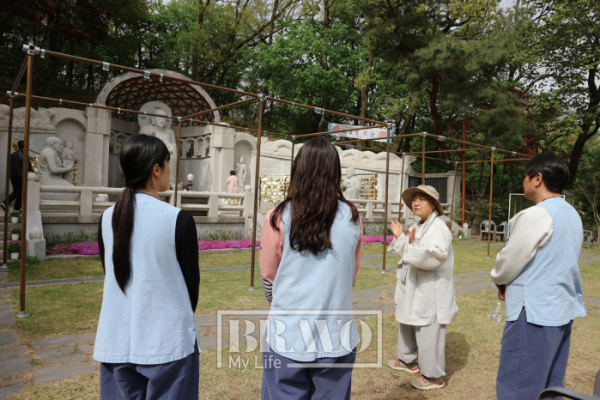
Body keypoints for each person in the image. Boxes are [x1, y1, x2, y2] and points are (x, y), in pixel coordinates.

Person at [94, 134, 201, 400]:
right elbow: (191, 288)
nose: (168, 170)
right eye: (167, 163)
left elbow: (113, 273)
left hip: (115, 340)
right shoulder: (178, 219)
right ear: (156, 169)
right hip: (168, 345)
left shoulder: (107, 218)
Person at [260, 137, 363, 400]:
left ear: (298, 169)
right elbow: (349, 278)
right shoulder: (352, 217)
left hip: (287, 334)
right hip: (335, 336)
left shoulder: (277, 217)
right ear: (335, 172)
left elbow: (269, 280)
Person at [492, 154, 585, 400]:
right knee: (550, 383)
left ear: (537, 178)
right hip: (560, 309)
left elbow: (510, 259)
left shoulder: (538, 214)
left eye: (526, 175)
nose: (523, 180)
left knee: (518, 386)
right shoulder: (572, 214)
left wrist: (500, 279)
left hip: (533, 313)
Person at [387, 185, 458, 391]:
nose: (416, 203)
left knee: (429, 331)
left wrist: (408, 243)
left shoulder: (439, 228)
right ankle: (409, 360)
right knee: (408, 321)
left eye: (422, 199)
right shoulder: (419, 224)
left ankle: (434, 376)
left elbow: (434, 257)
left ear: (434, 203)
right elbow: (410, 250)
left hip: (431, 288)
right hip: (414, 284)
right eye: (414, 199)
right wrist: (404, 238)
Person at [2, 140, 25, 211]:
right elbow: (27, 167)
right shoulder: (24, 155)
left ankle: (6, 203)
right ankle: (16, 208)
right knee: (20, 192)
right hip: (20, 176)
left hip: (12, 176)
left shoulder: (12, 155)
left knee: (16, 191)